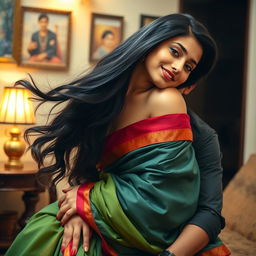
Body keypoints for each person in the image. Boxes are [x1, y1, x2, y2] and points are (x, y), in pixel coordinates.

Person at [6, 13, 231, 256]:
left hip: (153, 233)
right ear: (151, 43)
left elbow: (192, 209)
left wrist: (89, 204)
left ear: (191, 82)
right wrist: (78, 212)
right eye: (175, 52)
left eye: (188, 67)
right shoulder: (104, 101)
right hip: (111, 216)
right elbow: (87, 174)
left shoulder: (182, 116)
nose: (178, 67)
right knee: (46, 232)